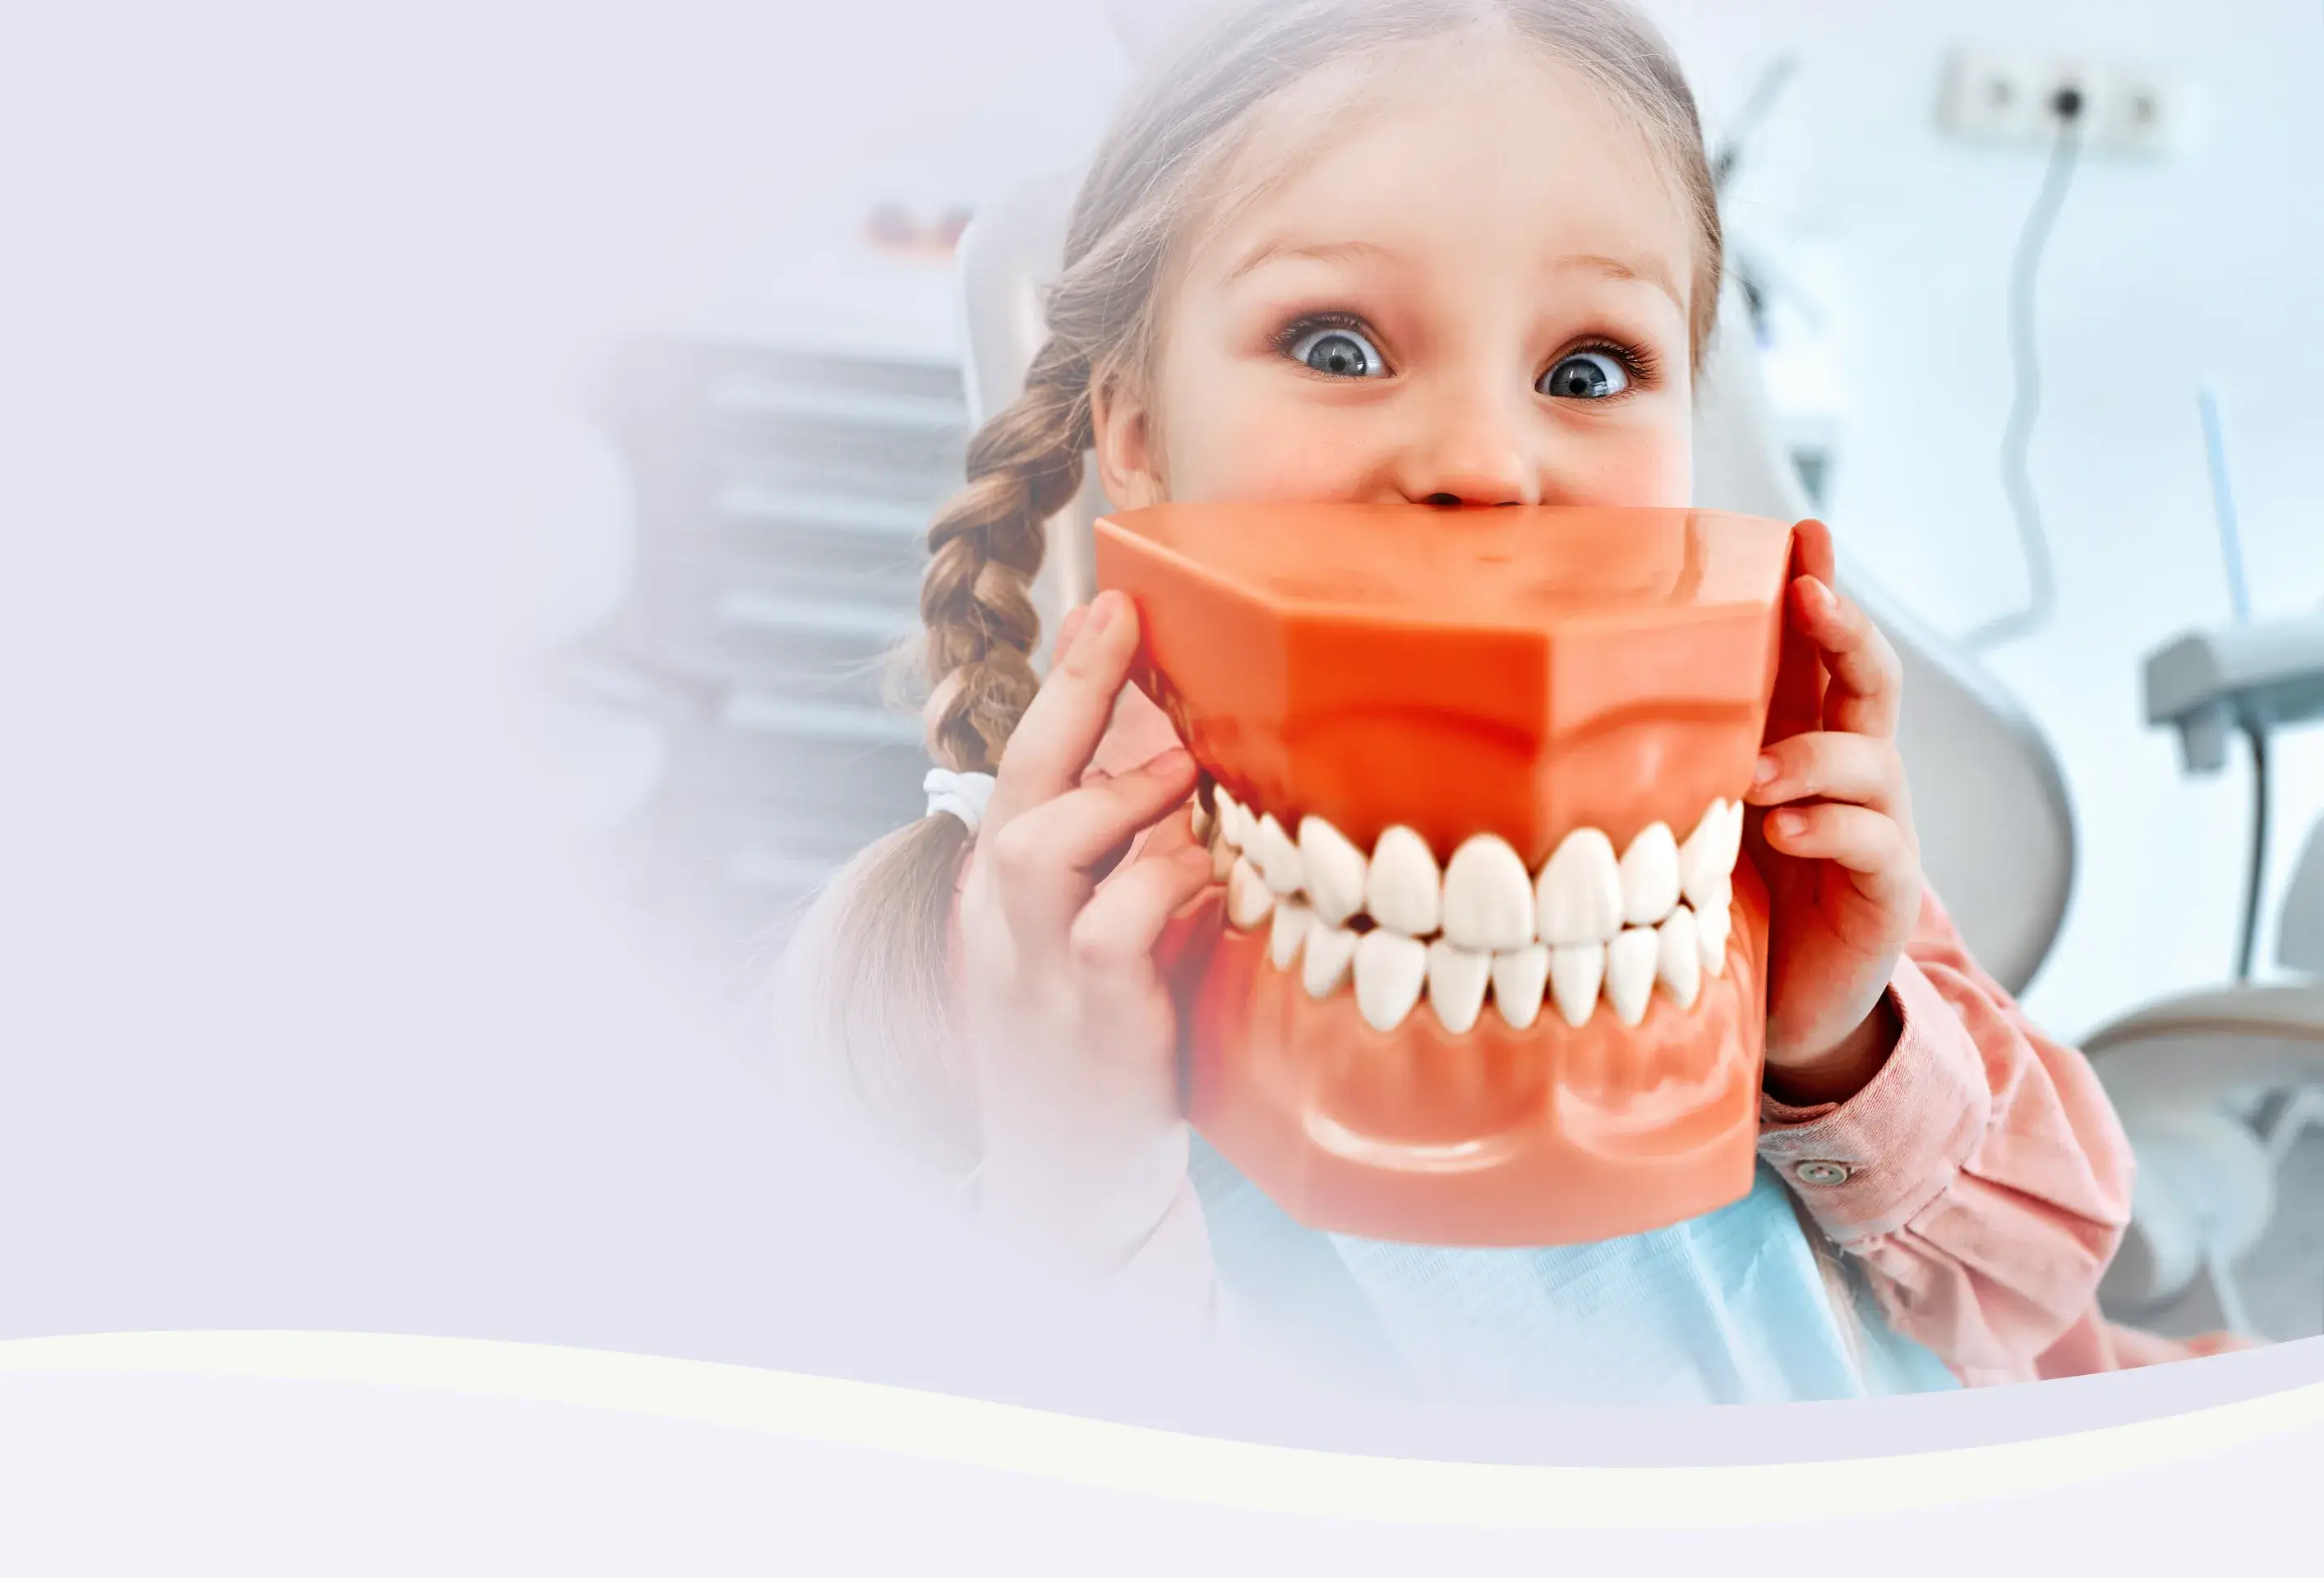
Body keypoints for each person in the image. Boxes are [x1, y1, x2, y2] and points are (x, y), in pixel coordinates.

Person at [786, 0, 2244, 1404]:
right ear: (1142, 430)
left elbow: (2038, 1298)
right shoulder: (1004, 959)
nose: (1485, 462)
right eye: (1337, 347)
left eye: (1589, 366)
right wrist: (1078, 1184)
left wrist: (1841, 1047)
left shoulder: (1752, 844)